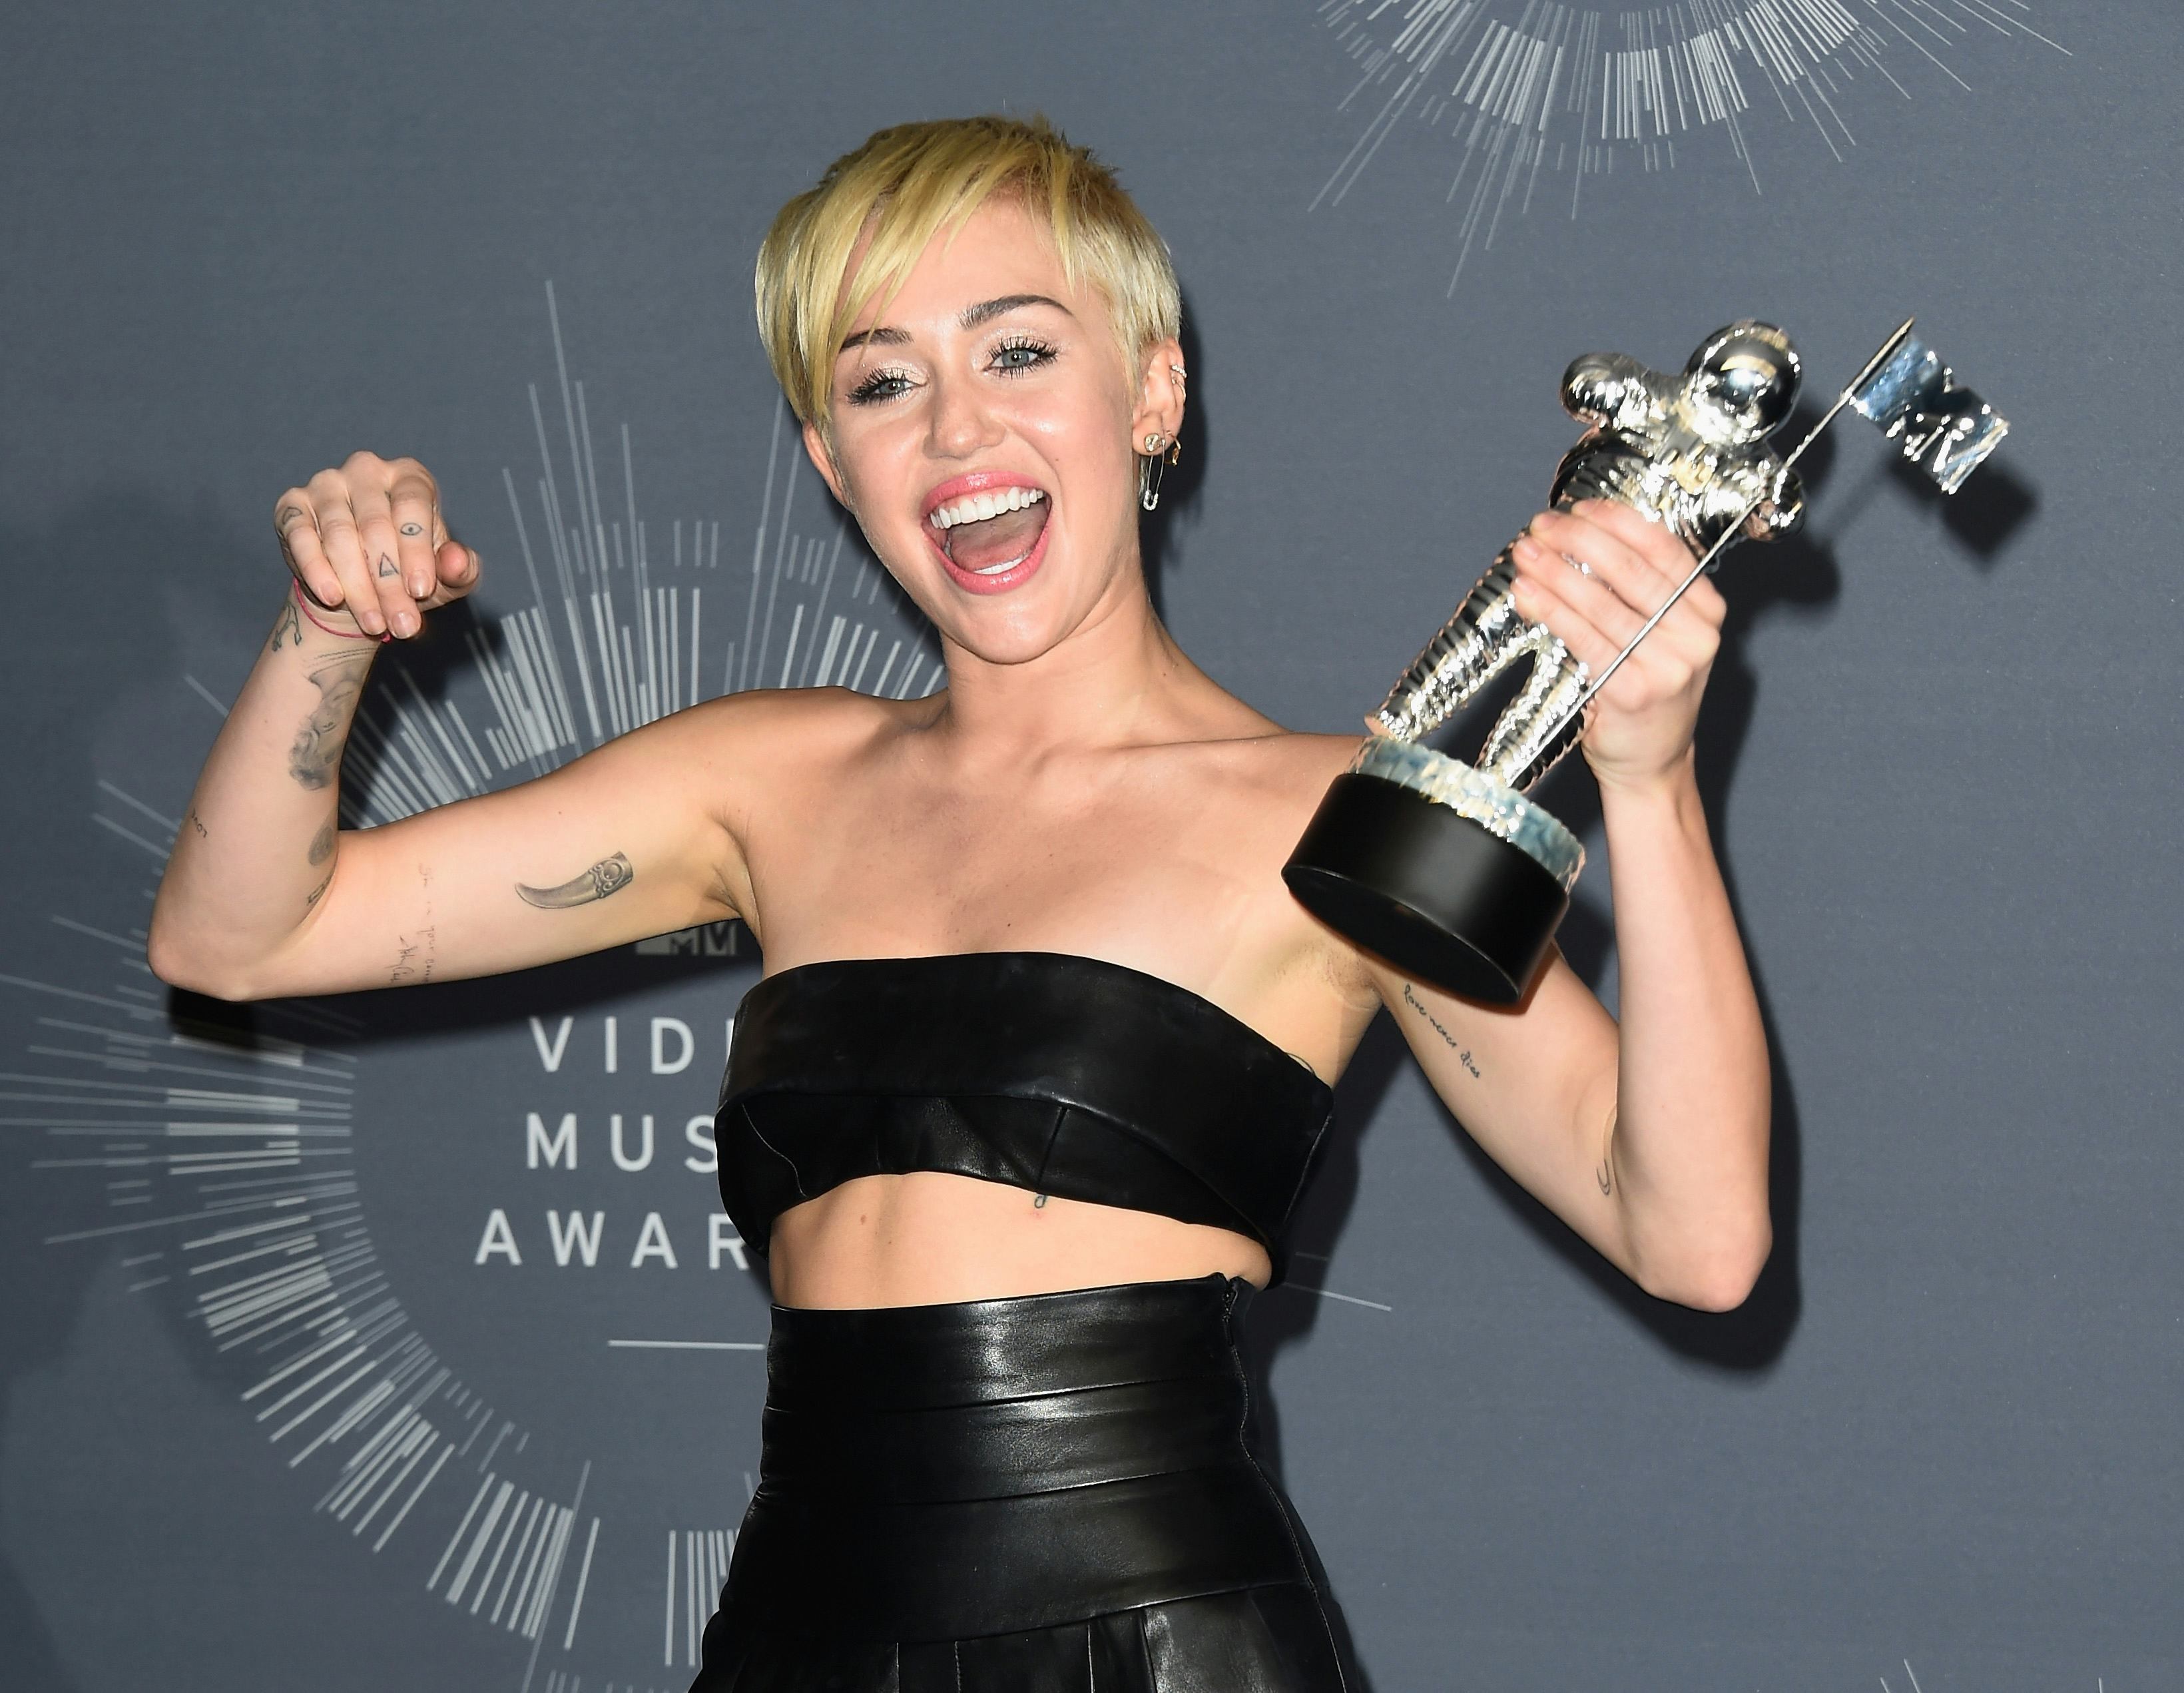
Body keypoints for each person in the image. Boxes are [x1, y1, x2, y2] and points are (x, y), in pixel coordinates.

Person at [148, 115, 1771, 1692]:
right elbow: (237, 936)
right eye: (882, 381)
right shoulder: (762, 780)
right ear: (828, 459)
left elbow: (1690, 1234)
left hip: (1158, 1647)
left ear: (1151, 392)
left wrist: (1646, 781)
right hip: (792, 1640)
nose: (953, 430)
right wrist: (325, 625)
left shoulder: (1339, 809)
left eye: (1016, 351)